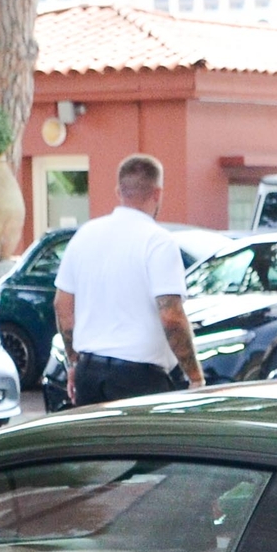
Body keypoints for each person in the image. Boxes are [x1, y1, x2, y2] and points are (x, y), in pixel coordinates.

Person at [53, 154, 205, 407]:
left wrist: (73, 363)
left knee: (96, 447)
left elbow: (62, 305)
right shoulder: (158, 241)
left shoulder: (84, 235)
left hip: (89, 373)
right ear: (157, 194)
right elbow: (171, 316)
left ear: (118, 191)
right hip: (139, 378)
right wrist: (195, 378)